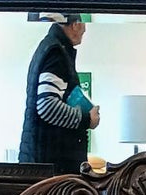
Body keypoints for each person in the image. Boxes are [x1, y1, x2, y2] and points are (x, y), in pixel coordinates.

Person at [19, 11, 99, 174]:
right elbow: (47, 106)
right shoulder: (56, 53)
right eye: (83, 25)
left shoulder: (49, 47)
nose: (84, 30)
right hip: (53, 166)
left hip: (41, 160)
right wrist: (86, 119)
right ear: (75, 25)